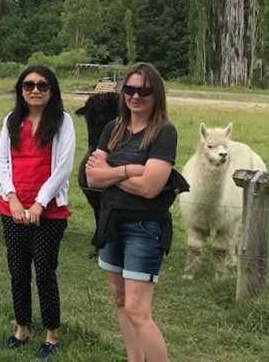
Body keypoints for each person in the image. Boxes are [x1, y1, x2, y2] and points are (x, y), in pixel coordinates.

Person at [85, 62, 178, 362]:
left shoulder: (164, 132)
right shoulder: (113, 129)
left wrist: (110, 172)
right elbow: (91, 178)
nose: (136, 96)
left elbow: (151, 187)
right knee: (121, 300)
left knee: (139, 311)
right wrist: (128, 169)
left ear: (156, 95)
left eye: (144, 91)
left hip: (144, 227)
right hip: (111, 224)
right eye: (130, 89)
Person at [0, 66, 75, 359]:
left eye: (42, 85)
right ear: (21, 90)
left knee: (44, 271)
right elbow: (2, 162)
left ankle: (51, 333)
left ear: (51, 90)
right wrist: (13, 199)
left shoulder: (63, 122)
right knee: (18, 271)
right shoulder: (11, 121)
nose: (35, 90)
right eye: (28, 85)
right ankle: (22, 327)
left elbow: (63, 166)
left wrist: (40, 203)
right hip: (13, 209)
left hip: (48, 212)